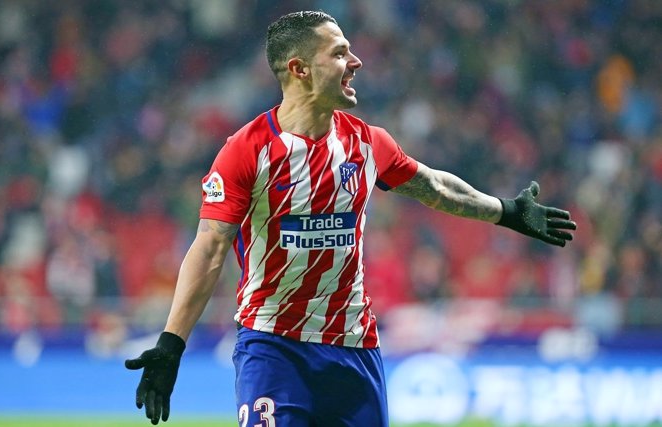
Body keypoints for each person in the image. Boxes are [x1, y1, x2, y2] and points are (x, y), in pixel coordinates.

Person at [125, 10, 577, 426]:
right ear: (300, 69)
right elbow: (209, 247)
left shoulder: (367, 142)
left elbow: (435, 187)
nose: (356, 61)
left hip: (354, 350)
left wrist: (507, 212)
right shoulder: (246, 151)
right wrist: (171, 345)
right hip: (273, 347)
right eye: (340, 52)